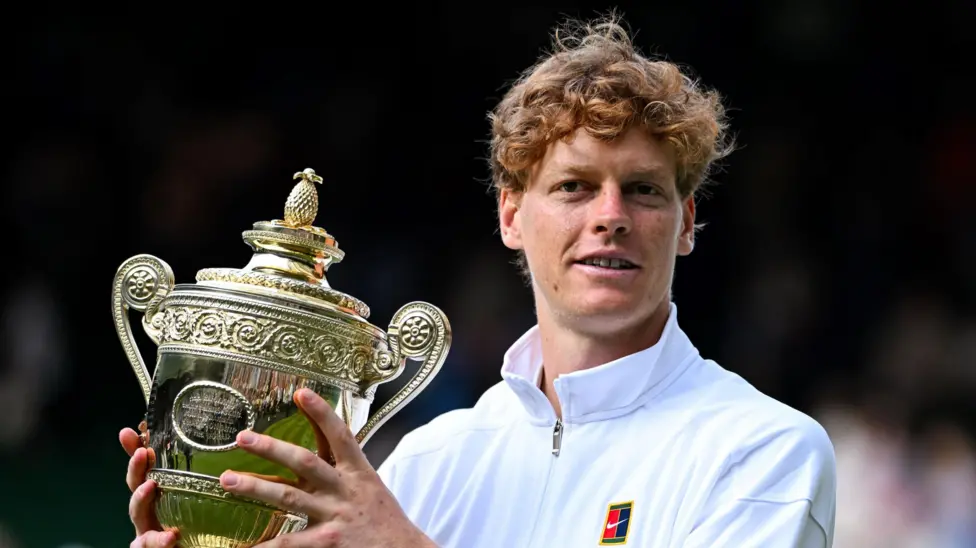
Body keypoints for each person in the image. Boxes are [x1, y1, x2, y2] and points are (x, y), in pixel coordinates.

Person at [120, 15, 837, 548]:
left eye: (645, 191)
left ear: (685, 224)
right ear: (512, 215)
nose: (611, 217)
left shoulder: (765, 450)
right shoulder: (431, 463)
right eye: (575, 187)